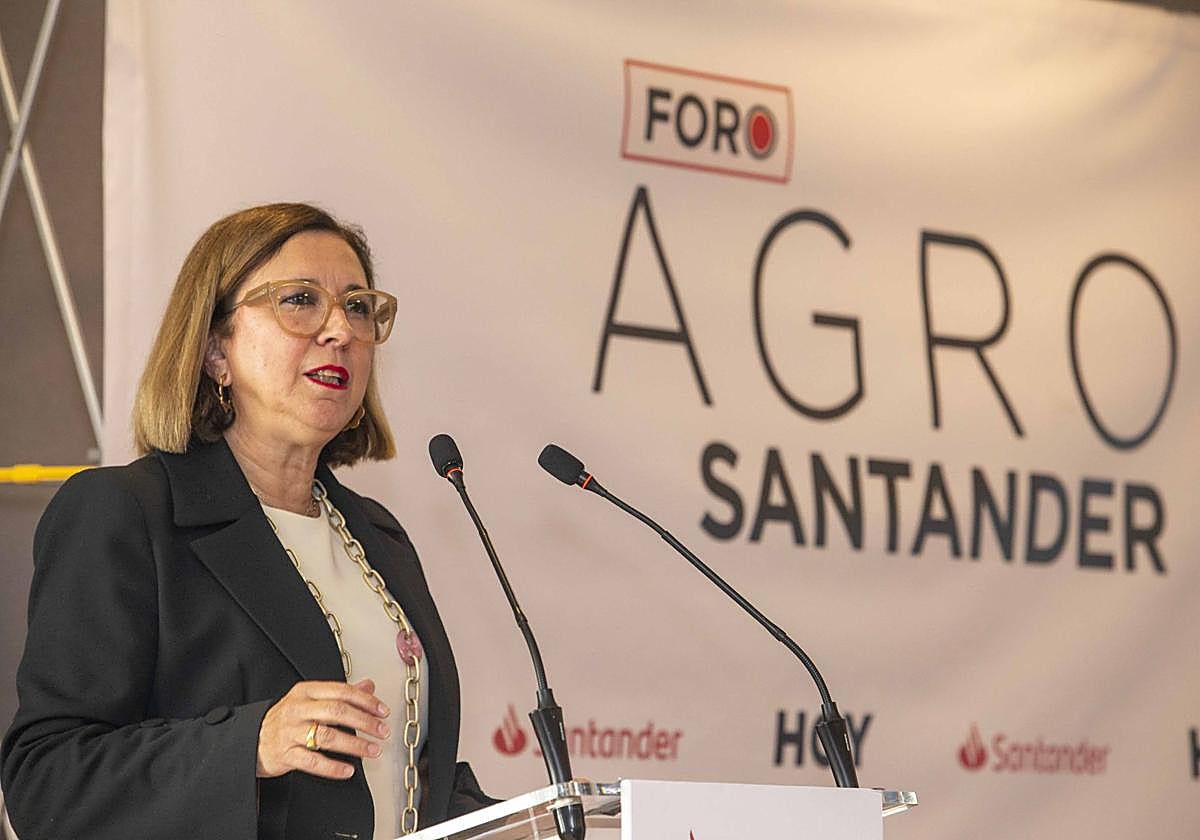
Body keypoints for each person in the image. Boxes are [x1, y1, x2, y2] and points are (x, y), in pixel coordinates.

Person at [1, 203, 494, 840]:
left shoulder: (377, 539)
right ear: (215, 350)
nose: (340, 330)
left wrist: (550, 820)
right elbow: (47, 781)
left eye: (357, 307)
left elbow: (405, 782)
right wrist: (250, 744)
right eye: (300, 300)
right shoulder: (127, 514)